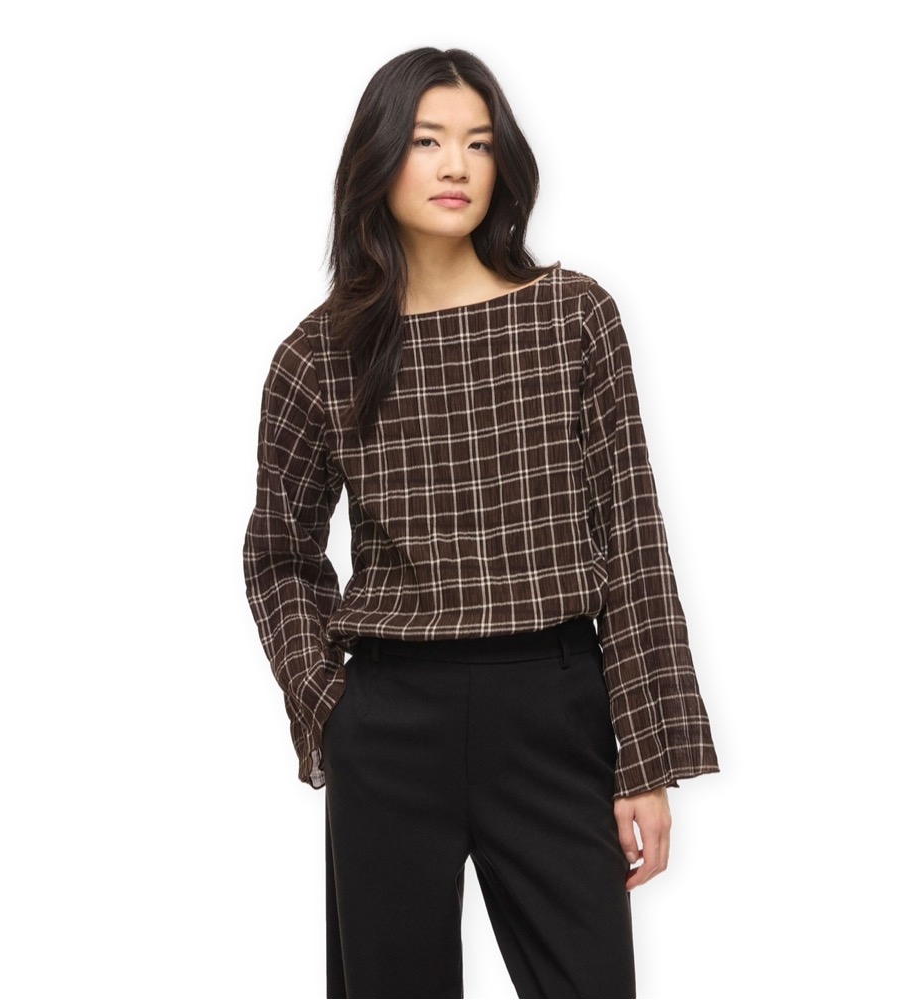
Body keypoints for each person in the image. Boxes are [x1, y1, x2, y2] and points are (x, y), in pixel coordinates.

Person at [243, 46, 719, 1000]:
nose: (456, 165)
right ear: (380, 158)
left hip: (553, 706)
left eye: (478, 142)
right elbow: (279, 554)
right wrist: (328, 707)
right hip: (391, 717)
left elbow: (631, 535)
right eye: (427, 141)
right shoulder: (321, 353)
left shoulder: (573, 318)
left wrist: (647, 761)